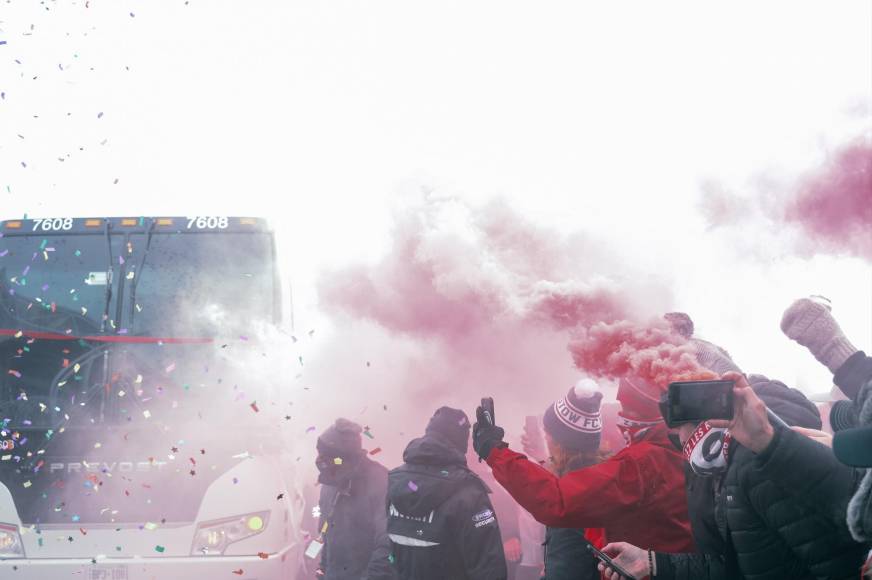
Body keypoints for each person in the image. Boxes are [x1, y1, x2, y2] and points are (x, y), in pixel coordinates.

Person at [599, 372, 868, 580]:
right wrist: (651, 563)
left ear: (705, 427)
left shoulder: (754, 468)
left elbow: (833, 561)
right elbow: (739, 565)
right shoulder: (727, 473)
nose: (678, 440)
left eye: (679, 429)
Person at [472, 372, 696, 554]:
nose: (620, 416)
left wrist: (494, 451)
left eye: (627, 409)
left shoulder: (641, 461)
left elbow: (558, 500)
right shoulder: (677, 450)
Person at [386, 406, 508, 580]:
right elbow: (488, 566)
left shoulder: (395, 481)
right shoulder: (468, 491)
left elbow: (390, 552)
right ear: (462, 442)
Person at [538, 378, 606, 580]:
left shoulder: (570, 497)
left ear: (560, 443)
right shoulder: (604, 478)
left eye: (548, 433)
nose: (546, 439)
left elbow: (565, 573)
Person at [314, 418, 396, 580]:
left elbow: (388, 542)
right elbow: (326, 535)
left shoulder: (381, 482)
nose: (322, 463)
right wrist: (322, 572)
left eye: (329, 457)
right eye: (320, 455)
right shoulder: (329, 485)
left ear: (346, 458)